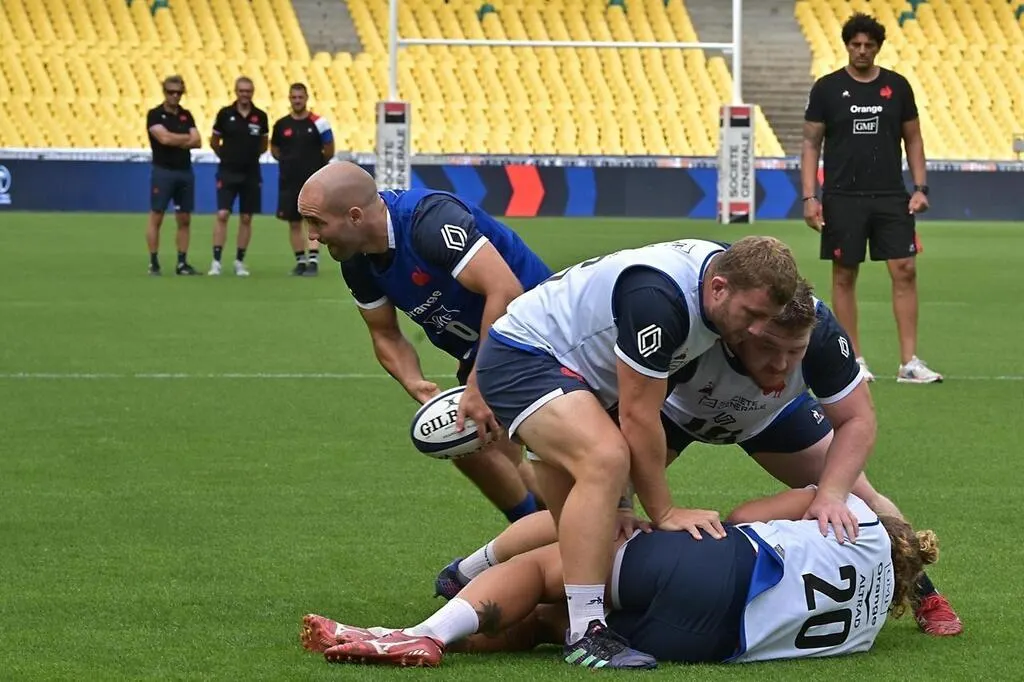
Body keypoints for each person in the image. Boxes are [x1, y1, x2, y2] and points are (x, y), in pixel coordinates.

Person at [439, 279, 961, 636]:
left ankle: (924, 594)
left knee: (860, 494)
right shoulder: (706, 322)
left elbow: (859, 420)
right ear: (743, 327)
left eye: (793, 353)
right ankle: (469, 569)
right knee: (594, 506)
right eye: (769, 348)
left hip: (771, 415)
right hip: (675, 414)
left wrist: (828, 494)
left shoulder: (819, 333)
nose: (782, 361)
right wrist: (632, 501)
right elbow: (634, 407)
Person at [472, 237, 802, 667]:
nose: (758, 330)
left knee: (591, 526)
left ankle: (466, 577)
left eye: (768, 317)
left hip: (574, 374)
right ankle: (586, 630)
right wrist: (662, 511)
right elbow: (639, 415)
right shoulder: (661, 299)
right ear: (718, 288)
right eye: (752, 315)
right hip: (524, 355)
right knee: (604, 460)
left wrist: (623, 504)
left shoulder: (735, 271)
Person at [300, 486, 940, 669]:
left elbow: (747, 514)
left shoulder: (857, 516)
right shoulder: (867, 633)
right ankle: (388, 637)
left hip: (723, 569)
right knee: (550, 625)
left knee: (555, 566)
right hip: (708, 645)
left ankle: (424, 633)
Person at [296, 162, 552, 525]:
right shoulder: (356, 261)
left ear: (354, 216)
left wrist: (479, 383)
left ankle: (572, 537)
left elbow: (505, 290)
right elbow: (385, 334)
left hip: (541, 338)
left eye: (317, 222)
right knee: (461, 440)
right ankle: (535, 527)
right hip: (484, 353)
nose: (311, 236)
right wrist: (415, 383)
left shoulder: (428, 221)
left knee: (554, 456)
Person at [802, 12, 942, 384]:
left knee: (905, 270)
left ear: (878, 47)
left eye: (869, 45)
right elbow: (811, 143)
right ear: (847, 46)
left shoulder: (897, 87)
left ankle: (909, 362)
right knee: (845, 274)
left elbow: (913, 138)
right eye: (855, 44)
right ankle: (854, 361)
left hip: (890, 196)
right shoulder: (827, 88)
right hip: (842, 196)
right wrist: (809, 197)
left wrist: (921, 187)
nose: (862, 50)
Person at [270, 83, 334, 276]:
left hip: (313, 181)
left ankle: (313, 260)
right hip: (289, 180)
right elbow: (274, 149)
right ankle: (300, 261)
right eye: (294, 97)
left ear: (306, 98)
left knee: (312, 220)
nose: (297, 100)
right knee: (294, 222)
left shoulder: (319, 122)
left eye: (300, 97)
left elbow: (329, 148)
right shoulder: (281, 125)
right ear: (289, 98)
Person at [209, 76, 270, 277]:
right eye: (241, 91)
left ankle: (239, 261)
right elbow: (215, 141)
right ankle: (216, 261)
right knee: (222, 214)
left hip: (251, 172)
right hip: (227, 171)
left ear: (252, 92)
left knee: (246, 217)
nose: (245, 94)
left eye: (248, 91)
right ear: (236, 92)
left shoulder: (260, 116)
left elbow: (263, 144)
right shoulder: (225, 114)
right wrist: (226, 157)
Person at [145, 75, 201, 276]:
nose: (175, 96)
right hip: (163, 171)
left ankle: (182, 262)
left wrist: (174, 139)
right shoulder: (155, 114)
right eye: (171, 92)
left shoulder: (186, 115)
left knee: (184, 218)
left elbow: (197, 141)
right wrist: (184, 139)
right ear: (164, 92)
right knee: (157, 215)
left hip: (184, 171)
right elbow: (164, 138)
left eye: (178, 92)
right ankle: (153, 261)